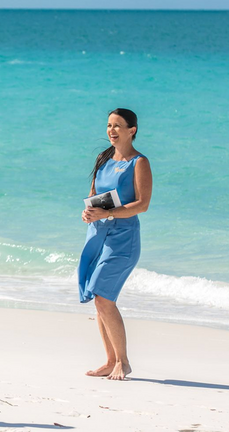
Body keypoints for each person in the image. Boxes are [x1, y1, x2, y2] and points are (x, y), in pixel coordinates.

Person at [78, 108, 152, 381]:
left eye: (118, 126)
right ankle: (110, 360)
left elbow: (142, 204)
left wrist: (108, 213)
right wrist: (88, 212)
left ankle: (123, 361)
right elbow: (93, 195)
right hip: (98, 235)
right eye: (109, 125)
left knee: (104, 297)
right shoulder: (104, 158)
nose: (112, 130)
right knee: (99, 299)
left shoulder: (139, 162)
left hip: (123, 240)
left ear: (132, 130)